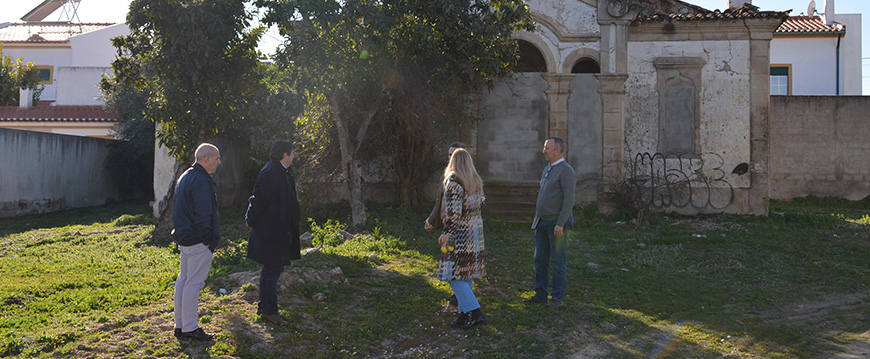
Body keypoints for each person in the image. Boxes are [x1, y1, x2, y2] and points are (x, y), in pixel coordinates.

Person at [245, 140, 301, 326]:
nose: (294, 156)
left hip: (278, 230)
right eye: (292, 153)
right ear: (285, 155)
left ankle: (264, 307)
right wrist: (249, 219)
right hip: (271, 232)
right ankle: (269, 311)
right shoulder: (271, 172)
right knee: (272, 270)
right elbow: (258, 199)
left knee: (271, 270)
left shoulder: (281, 171)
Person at [172, 143, 222, 341]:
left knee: (184, 280)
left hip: (185, 237)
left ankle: (180, 325)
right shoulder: (201, 180)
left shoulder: (185, 176)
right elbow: (204, 213)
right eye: (217, 158)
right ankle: (190, 328)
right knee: (193, 283)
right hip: (198, 240)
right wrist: (207, 240)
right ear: (206, 158)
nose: (219, 162)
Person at [436, 149, 487, 330]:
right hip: (476, 233)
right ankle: (464, 315)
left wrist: (447, 232)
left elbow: (454, 213)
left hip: (461, 234)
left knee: (454, 276)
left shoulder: (453, 183)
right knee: (466, 274)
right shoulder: (475, 182)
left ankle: (475, 313)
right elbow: (479, 204)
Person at [523, 137, 576, 307]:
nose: (543, 151)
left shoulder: (566, 171)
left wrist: (560, 223)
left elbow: (569, 200)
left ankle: (557, 297)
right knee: (540, 259)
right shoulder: (547, 169)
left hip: (557, 225)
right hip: (542, 223)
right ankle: (540, 294)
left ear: (557, 150)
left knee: (558, 260)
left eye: (547, 148)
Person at [425, 142, 466, 310]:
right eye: (449, 155)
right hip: (447, 227)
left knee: (458, 269)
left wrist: (450, 230)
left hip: (460, 230)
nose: (450, 158)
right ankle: (460, 304)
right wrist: (431, 220)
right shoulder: (446, 176)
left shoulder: (466, 178)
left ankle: (458, 304)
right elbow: (439, 202)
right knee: (451, 267)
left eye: (454, 155)